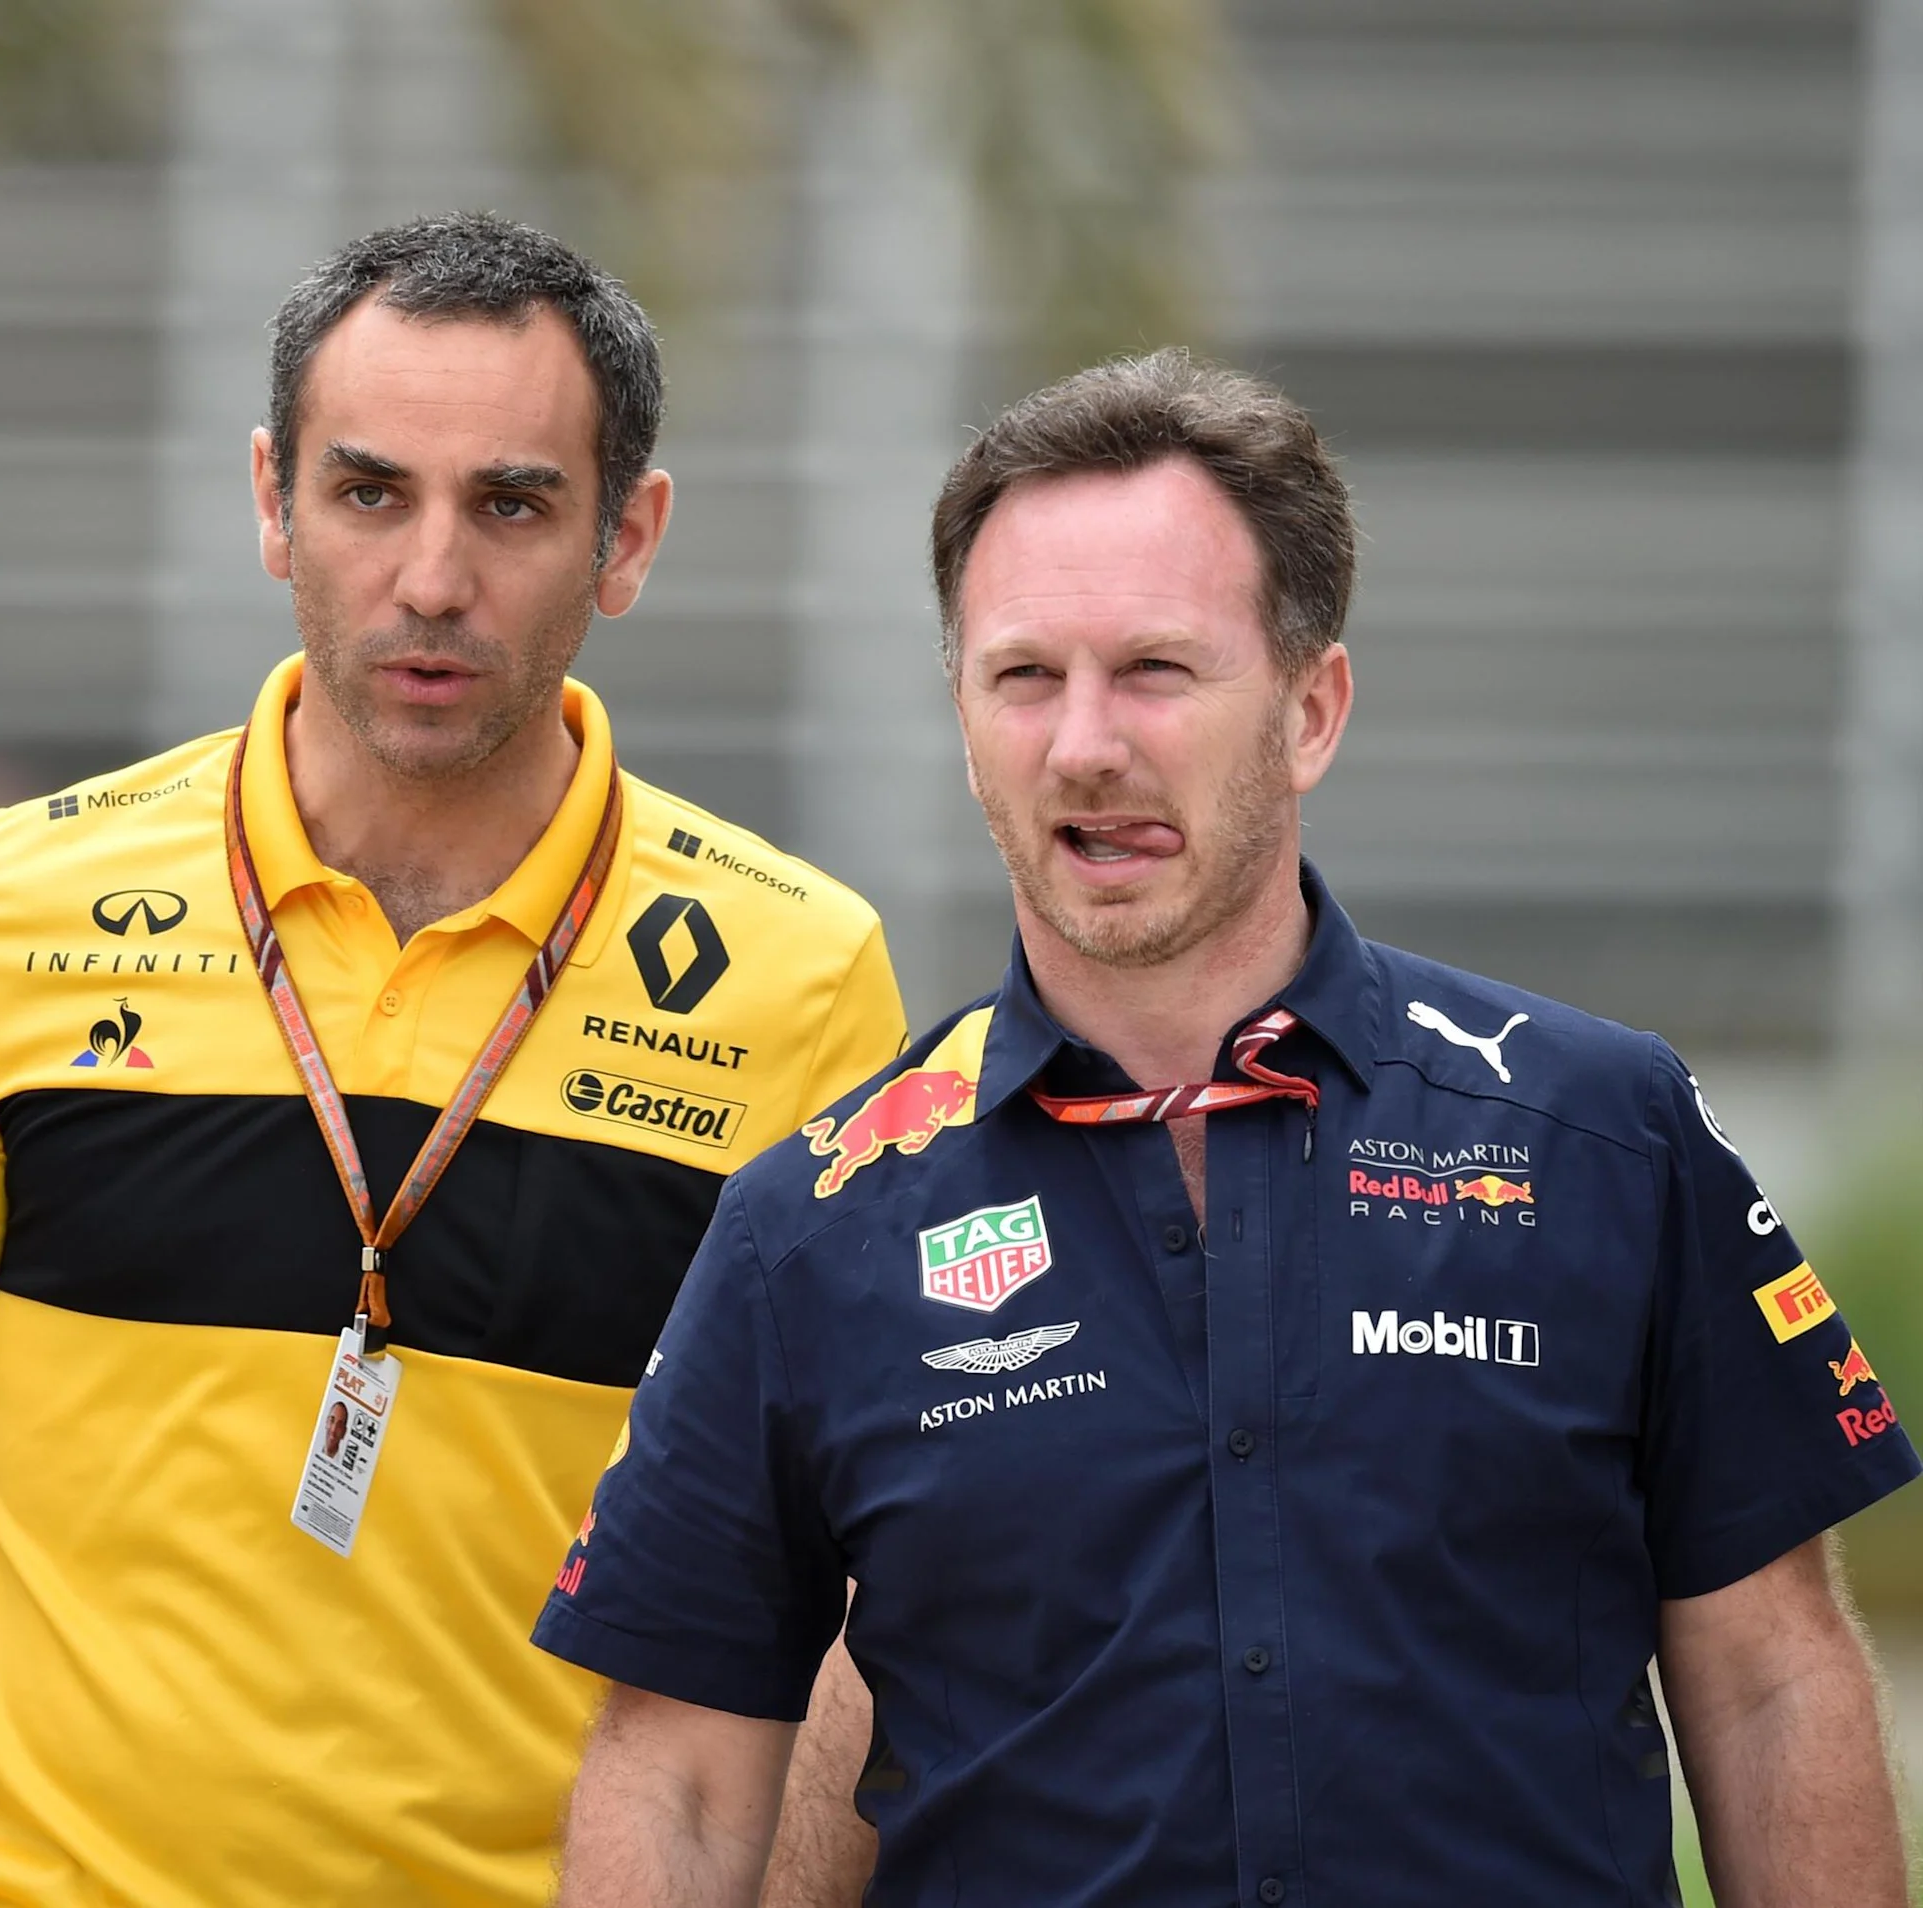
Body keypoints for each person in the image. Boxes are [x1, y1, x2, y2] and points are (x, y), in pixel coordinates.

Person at [536, 348, 1917, 1906]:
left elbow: (1768, 1676)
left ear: (1311, 710)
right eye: (1024, 677)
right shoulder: (813, 1227)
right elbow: (678, 1778)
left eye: (1155, 670)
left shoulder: (1604, 1135)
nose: (1084, 746)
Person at [0, 212, 909, 1906]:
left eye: (510, 505)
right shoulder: (11, 904)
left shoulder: (798, 978)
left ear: (628, 537)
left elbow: (828, 1611)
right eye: (368, 493)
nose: (430, 577)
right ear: (272, 503)